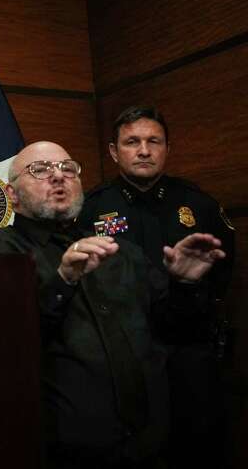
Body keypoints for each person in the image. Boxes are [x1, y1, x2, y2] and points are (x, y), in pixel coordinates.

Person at [0, 141, 225, 468]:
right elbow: (1, 350)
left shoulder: (122, 251)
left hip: (151, 445)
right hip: (63, 452)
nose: (58, 176)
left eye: (68, 168)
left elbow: (173, 329)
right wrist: (63, 281)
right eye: (40, 170)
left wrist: (184, 285)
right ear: (12, 193)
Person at [78, 106, 235, 468]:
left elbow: (224, 272)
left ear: (167, 148)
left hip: (188, 349)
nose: (144, 150)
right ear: (114, 152)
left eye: (154, 141)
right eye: (132, 142)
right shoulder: (91, 209)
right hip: (124, 355)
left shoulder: (199, 204)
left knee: (197, 447)